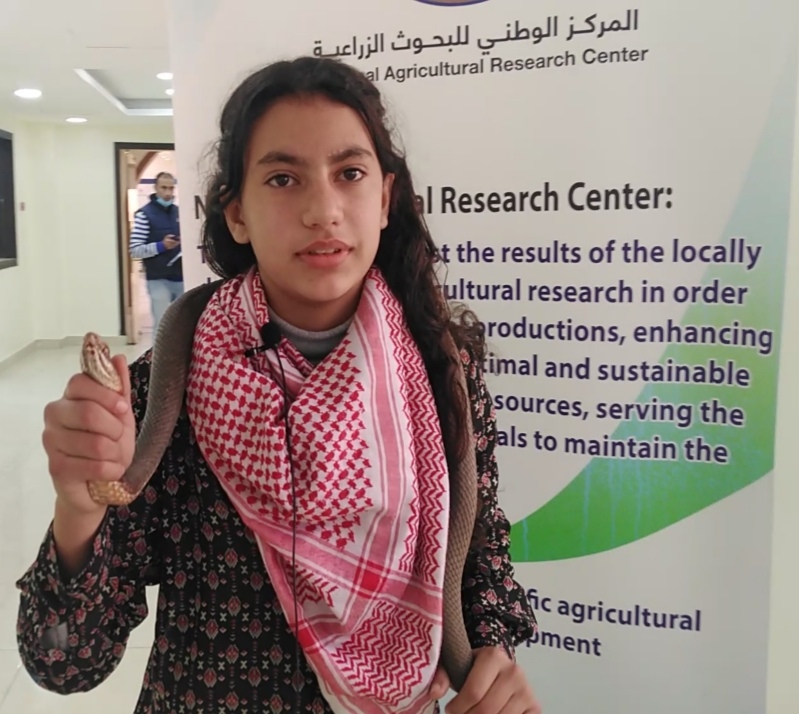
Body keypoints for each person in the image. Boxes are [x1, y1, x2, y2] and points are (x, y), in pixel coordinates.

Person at [16, 56, 540, 714]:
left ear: (384, 199)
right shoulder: (169, 390)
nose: (323, 211)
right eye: (283, 178)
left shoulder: (443, 373)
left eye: (349, 173)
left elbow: (478, 545)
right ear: (237, 214)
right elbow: (64, 659)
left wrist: (491, 651)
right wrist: (79, 509)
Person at [129, 170, 184, 334]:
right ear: (155, 188)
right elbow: (135, 250)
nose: (168, 193)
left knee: (184, 327)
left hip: (181, 278)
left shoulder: (179, 212)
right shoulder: (144, 215)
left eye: (171, 188)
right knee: (162, 327)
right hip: (158, 280)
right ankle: (159, 352)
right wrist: (161, 246)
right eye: (163, 188)